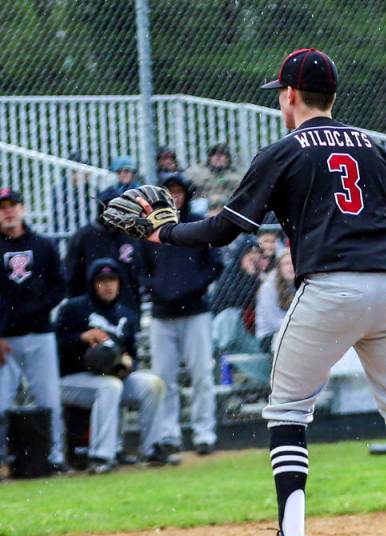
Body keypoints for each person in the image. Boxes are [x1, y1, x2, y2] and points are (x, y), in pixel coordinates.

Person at [114, 48, 386, 536]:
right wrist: (385, 272)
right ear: (333, 97)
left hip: (331, 286)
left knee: (287, 410)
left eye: (280, 92)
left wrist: (163, 231)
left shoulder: (284, 151)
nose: (281, 100)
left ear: (291, 95)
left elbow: (224, 230)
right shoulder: (373, 147)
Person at [55, 259, 176, 472]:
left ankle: (152, 449)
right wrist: (81, 338)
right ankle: (101, 456)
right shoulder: (73, 309)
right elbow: (55, 346)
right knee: (109, 386)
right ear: (92, 284)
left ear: (119, 283)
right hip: (70, 381)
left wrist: (127, 364)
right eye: (101, 280)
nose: (108, 285)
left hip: (111, 379)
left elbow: (131, 355)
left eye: (112, 279)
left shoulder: (126, 314)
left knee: (153, 384)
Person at [140, 173, 223, 456]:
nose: (175, 196)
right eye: (169, 191)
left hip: (196, 311)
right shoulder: (150, 228)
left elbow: (215, 264)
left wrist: (192, 288)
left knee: (201, 375)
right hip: (162, 314)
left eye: (179, 191)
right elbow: (140, 269)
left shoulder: (197, 226)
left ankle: (204, 433)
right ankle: (169, 434)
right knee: (164, 379)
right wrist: (156, 289)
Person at [0, 187, 68, 472]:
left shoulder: (43, 245)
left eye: (13, 204)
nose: (8, 210)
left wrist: (37, 308)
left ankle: (55, 456)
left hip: (40, 334)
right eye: (2, 206)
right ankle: (3, 459)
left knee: (49, 399)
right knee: (0, 404)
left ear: (23, 208)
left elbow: (60, 285)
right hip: (5, 341)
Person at [65, 194, 146, 317]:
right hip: (92, 313)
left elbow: (141, 272)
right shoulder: (84, 237)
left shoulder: (131, 235)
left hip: (127, 308)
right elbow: (72, 279)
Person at [256, 250, 296, 351]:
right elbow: (272, 321)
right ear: (279, 267)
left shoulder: (301, 284)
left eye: (293, 263)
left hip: (293, 330)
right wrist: (298, 326)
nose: (290, 267)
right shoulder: (268, 287)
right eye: (286, 264)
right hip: (270, 335)